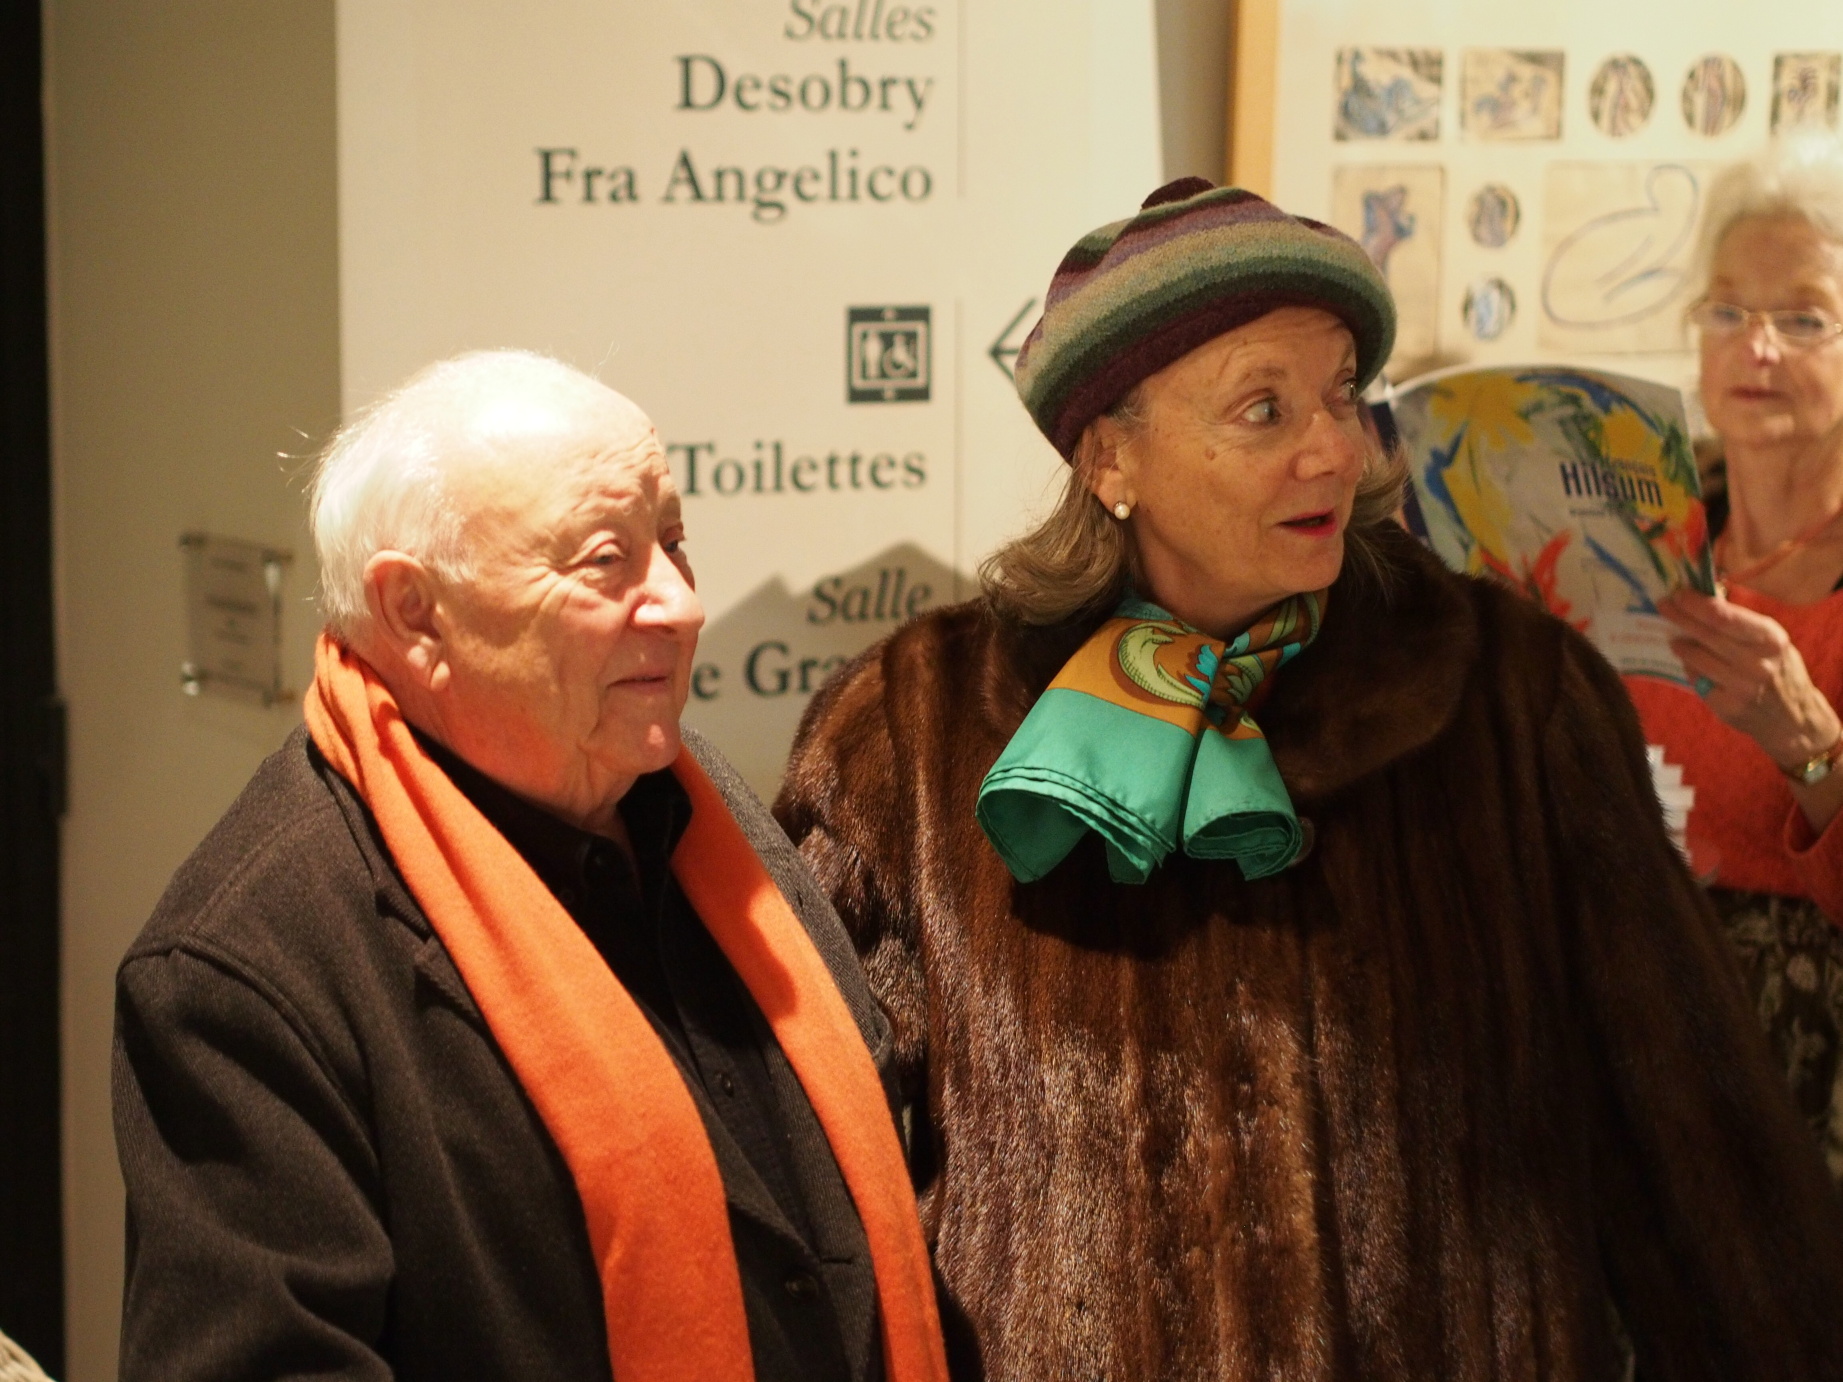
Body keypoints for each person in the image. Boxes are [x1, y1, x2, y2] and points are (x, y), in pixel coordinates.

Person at [775, 179, 1843, 1380]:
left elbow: (1695, 1153)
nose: (1334, 446)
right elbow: (811, 1174)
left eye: (1340, 393)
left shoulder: (1508, 700)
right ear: (1111, 455)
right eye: (1264, 407)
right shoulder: (914, 739)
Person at [113, 351, 948, 1382]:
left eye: (673, 544)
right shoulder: (241, 968)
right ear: (414, 612)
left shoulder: (697, 803)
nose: (682, 606)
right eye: (605, 561)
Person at [1636, 135, 1843, 1183]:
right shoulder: (1637, 530)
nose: (1754, 349)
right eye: (1726, 311)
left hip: (1804, 1077)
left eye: (1802, 318)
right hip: (1628, 1038)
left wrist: (1810, 746)